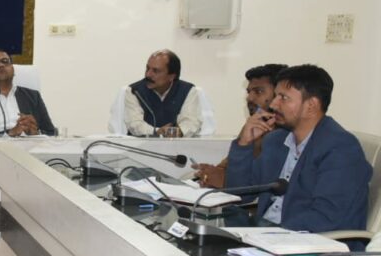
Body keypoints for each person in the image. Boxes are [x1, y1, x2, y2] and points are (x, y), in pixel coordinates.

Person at [225, 64, 371, 232]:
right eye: (275, 96)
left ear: (311, 106)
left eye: (283, 98)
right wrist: (244, 144)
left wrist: (270, 234)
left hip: (310, 242)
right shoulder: (276, 141)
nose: (273, 104)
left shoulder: (341, 149)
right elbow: (240, 195)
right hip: (267, 235)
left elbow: (327, 217)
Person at [194, 63, 286, 188]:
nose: (250, 98)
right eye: (249, 92)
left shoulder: (287, 133)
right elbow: (228, 165)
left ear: (279, 94)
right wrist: (212, 172)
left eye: (258, 91)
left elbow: (263, 182)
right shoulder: (252, 125)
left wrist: (223, 180)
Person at [0, 50, 55, 137]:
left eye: (5, 61)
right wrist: (9, 133)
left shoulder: (33, 96)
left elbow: (51, 133)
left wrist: (36, 133)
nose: (1, 65)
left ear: (13, 70)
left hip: (29, 144)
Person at [123, 49, 202, 136]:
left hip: (176, 143)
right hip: (141, 143)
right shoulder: (134, 91)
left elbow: (191, 121)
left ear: (171, 76)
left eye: (155, 71)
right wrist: (157, 131)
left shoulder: (188, 91)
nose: (148, 74)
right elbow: (134, 124)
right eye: (147, 68)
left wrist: (178, 132)